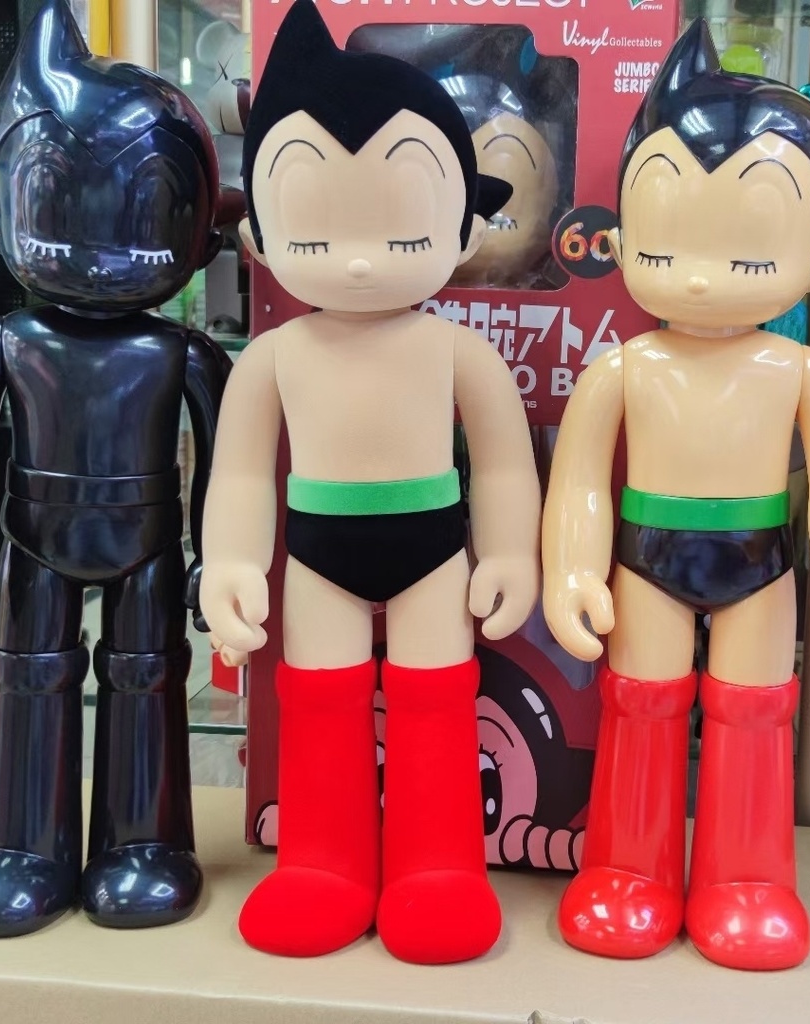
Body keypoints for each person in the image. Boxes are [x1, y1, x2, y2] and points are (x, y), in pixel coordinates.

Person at [542, 19, 810, 971]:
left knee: (754, 716)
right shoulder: (624, 368)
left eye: (747, 251)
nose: (699, 277)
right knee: (639, 707)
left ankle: (748, 881)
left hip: (761, 565)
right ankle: (628, 870)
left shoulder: (802, 372)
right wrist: (572, 569)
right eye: (668, 237)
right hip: (645, 558)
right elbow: (579, 485)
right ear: (623, 235)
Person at [201, 0, 541, 965]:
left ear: (464, 229)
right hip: (317, 555)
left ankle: (440, 868)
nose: (355, 259)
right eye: (314, 228)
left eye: (399, 225)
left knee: (437, 705)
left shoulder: (458, 352)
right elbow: (240, 474)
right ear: (259, 236)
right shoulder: (274, 357)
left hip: (433, 549)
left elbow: (505, 461)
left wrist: (511, 552)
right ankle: (322, 865)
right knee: (319, 705)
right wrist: (230, 563)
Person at [0, 0, 232, 936]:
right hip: (32, 542)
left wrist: (219, 555)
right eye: (55, 199)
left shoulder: (182, 355)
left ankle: (145, 840)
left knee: (149, 677)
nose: (98, 256)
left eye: (145, 209)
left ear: (201, 239)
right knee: (25, 679)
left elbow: (229, 469)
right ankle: (22, 846)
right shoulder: (2, 345)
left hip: (149, 546)